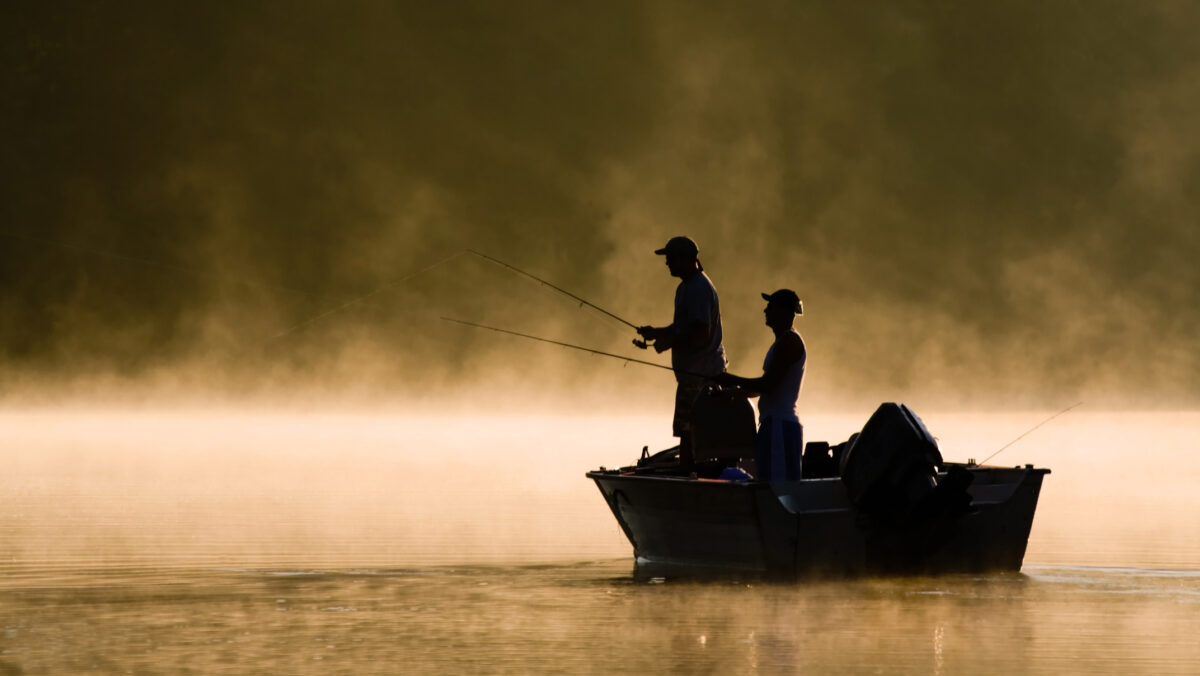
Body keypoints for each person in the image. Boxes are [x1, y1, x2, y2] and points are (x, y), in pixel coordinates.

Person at [636, 236, 727, 468]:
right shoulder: (686, 287)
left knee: (688, 431)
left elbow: (701, 334)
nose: (667, 263)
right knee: (691, 431)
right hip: (695, 374)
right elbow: (684, 327)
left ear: (688, 259)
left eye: (671, 258)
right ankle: (692, 474)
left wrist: (669, 343)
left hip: (699, 376)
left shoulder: (698, 289)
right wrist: (658, 332)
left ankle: (689, 476)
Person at [714, 289, 806, 481]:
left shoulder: (789, 341)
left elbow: (768, 385)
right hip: (773, 425)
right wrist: (732, 393)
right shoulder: (781, 342)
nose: (765, 310)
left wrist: (731, 379)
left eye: (770, 307)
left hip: (779, 426)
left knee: (776, 489)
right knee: (771, 484)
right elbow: (765, 387)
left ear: (785, 312)